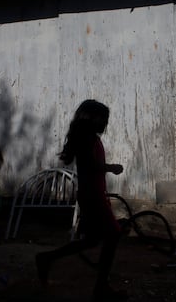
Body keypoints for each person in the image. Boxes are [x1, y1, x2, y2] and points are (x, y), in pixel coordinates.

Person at [35, 99, 127, 302]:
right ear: (92, 118)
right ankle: (101, 288)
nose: (105, 123)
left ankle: (47, 258)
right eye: (103, 118)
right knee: (113, 234)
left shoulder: (88, 137)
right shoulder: (88, 139)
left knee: (92, 240)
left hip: (92, 194)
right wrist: (111, 167)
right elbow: (90, 166)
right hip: (93, 195)